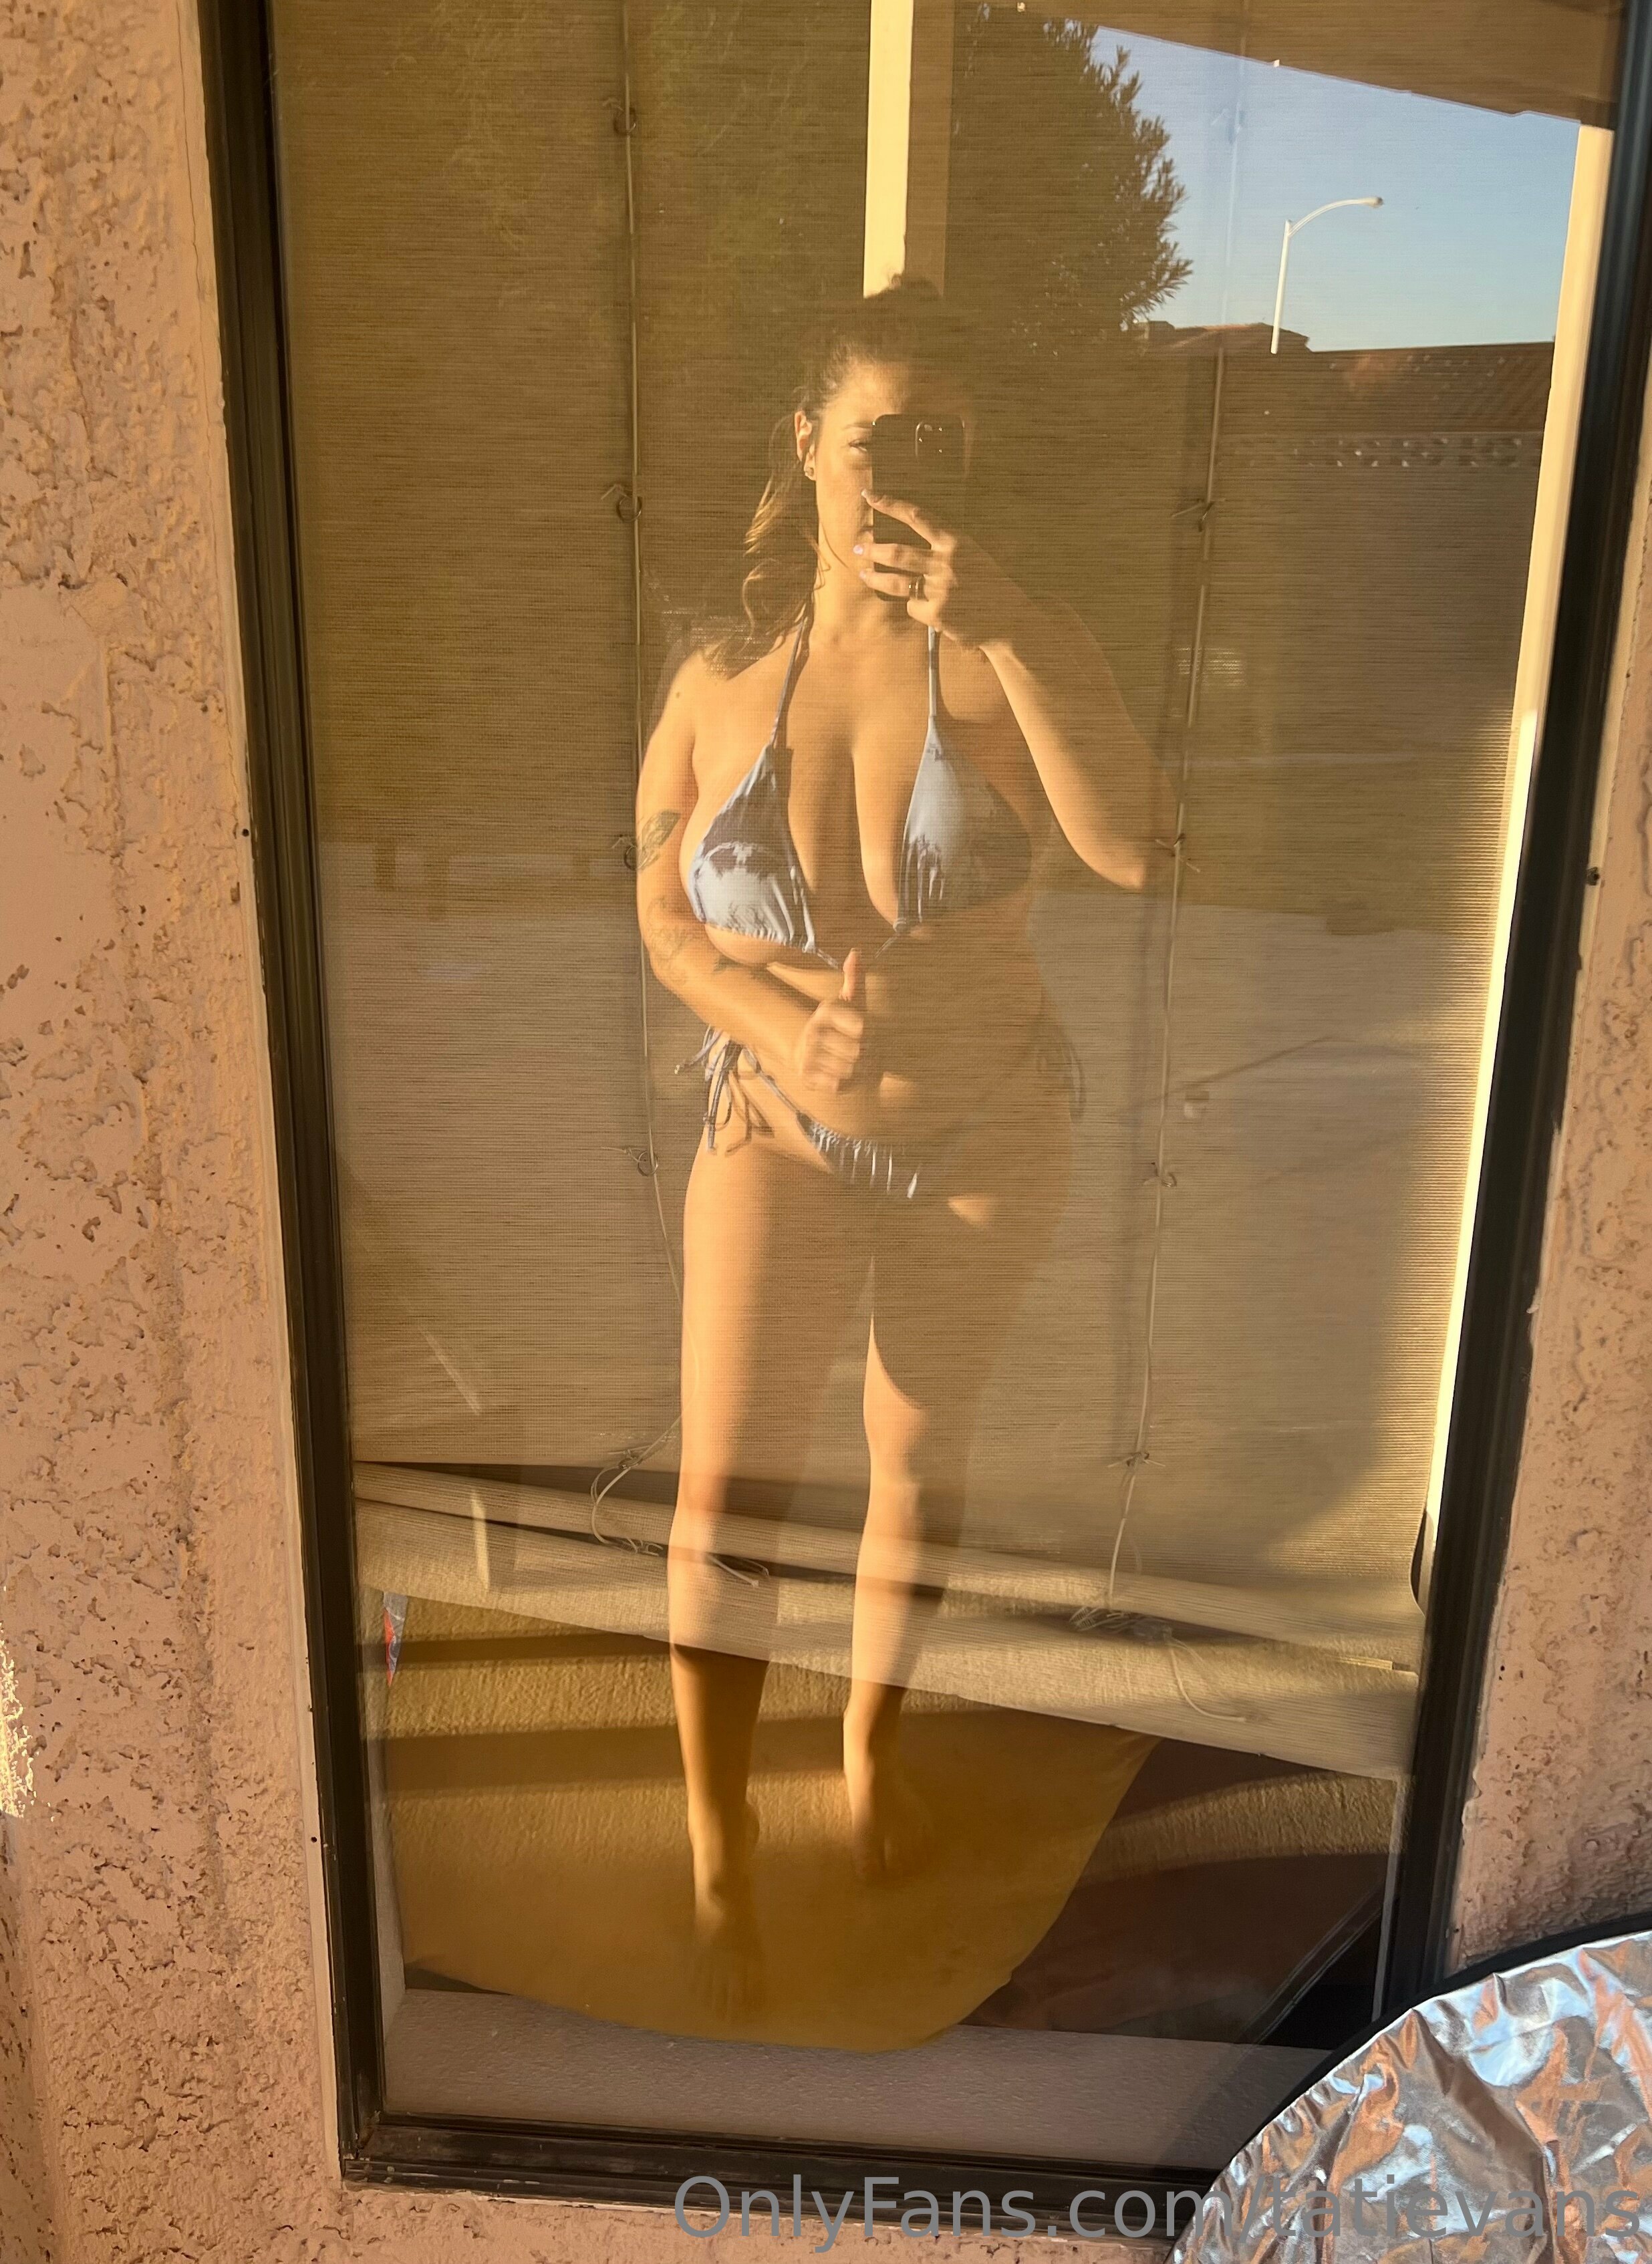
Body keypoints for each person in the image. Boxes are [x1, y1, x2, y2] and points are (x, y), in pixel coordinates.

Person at [634, 280, 1174, 2016]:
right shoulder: (718, 684)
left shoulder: (1018, 653)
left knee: (916, 1461)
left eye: (944, 440)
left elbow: (1136, 848)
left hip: (989, 1124)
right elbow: (662, 916)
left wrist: (1009, 628)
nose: (908, 473)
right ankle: (719, 1850)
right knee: (727, 1498)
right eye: (880, 438)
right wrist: (772, 1019)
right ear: (809, 446)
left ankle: (868, 1751)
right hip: (776, 1129)